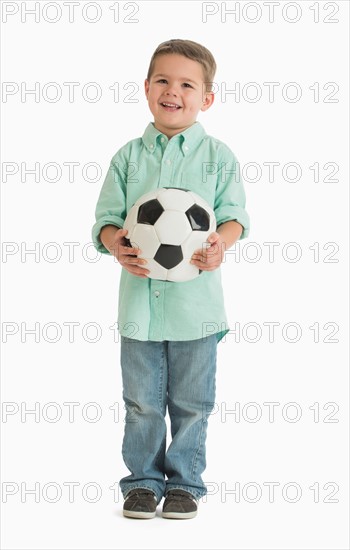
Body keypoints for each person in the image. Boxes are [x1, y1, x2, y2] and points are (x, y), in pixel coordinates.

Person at [91, 39, 250, 520]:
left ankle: (185, 483)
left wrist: (221, 241)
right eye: (163, 80)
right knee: (140, 402)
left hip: (196, 310)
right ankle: (141, 481)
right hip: (139, 307)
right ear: (146, 88)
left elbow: (236, 217)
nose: (173, 91)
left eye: (187, 84)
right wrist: (116, 241)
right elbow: (105, 221)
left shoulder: (218, 156)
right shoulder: (127, 157)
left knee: (192, 404)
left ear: (207, 98)